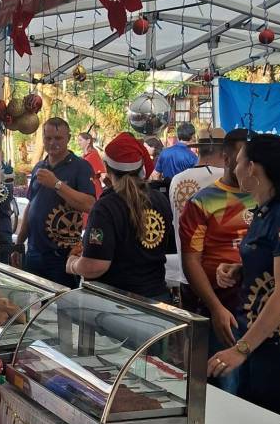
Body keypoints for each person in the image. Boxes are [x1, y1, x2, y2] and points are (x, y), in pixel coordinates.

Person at [208, 134, 280, 420]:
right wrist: (241, 269)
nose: (234, 168)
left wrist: (241, 349)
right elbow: (273, 262)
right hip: (256, 340)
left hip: (279, 349)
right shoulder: (263, 211)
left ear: (252, 168)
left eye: (239, 161)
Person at [179, 129, 254, 394]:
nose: (248, 166)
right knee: (226, 387)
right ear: (227, 157)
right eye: (242, 158)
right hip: (223, 311)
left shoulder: (266, 198)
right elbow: (191, 261)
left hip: (259, 311)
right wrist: (215, 307)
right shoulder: (202, 202)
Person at [67, 132, 173, 300]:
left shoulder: (106, 207)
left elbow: (95, 266)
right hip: (157, 299)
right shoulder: (160, 200)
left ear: (107, 168)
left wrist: (72, 263)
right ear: (140, 167)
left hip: (118, 303)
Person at [14, 118, 95, 287]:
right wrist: (19, 243)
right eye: (48, 138)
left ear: (68, 138)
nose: (52, 143)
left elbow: (89, 204)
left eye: (58, 138)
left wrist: (57, 184)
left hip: (63, 256)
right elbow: (31, 205)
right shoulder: (39, 167)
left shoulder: (81, 166)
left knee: (62, 302)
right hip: (34, 252)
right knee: (32, 300)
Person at [168, 127, 226, 284]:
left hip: (187, 272)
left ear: (199, 149)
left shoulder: (177, 180)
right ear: (223, 152)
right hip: (221, 274)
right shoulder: (224, 178)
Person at [77, 132, 105, 199]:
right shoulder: (84, 156)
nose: (78, 143)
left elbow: (102, 174)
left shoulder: (93, 155)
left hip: (94, 189)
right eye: (78, 140)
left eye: (80, 140)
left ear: (88, 141)